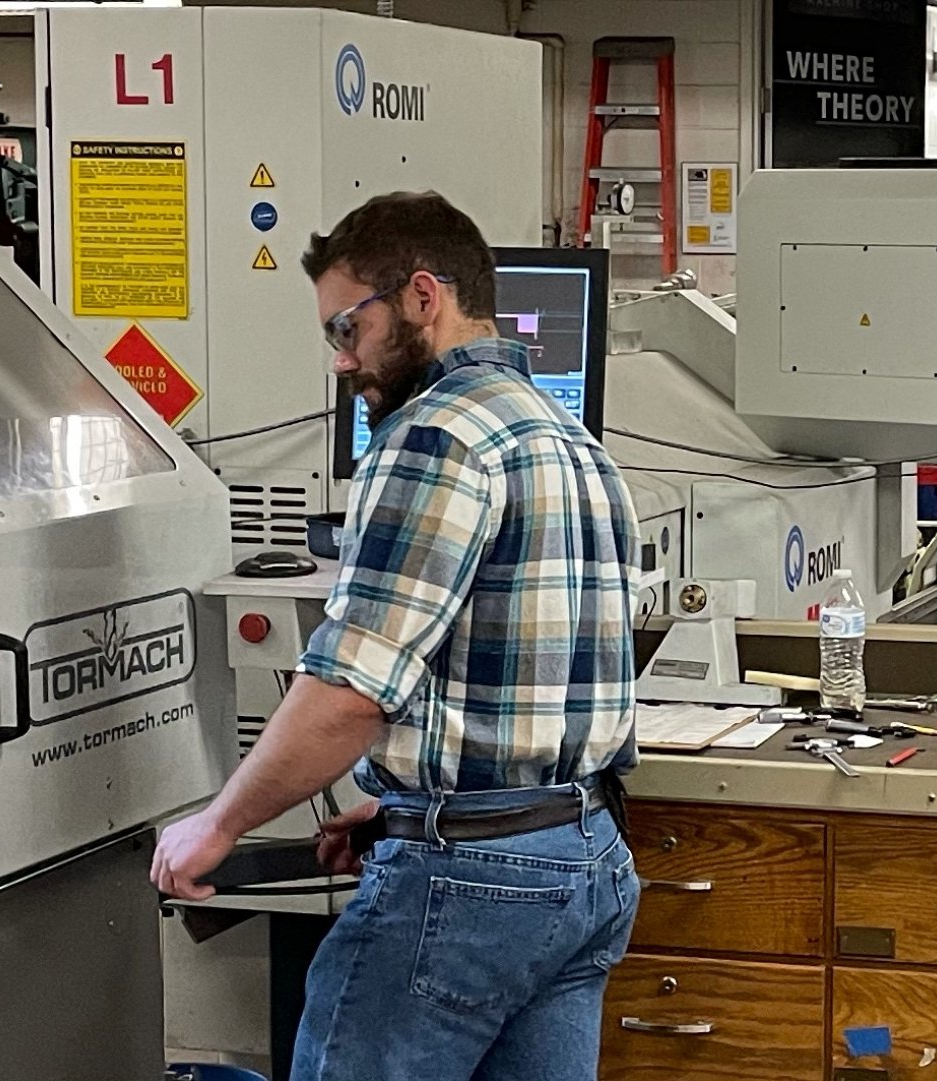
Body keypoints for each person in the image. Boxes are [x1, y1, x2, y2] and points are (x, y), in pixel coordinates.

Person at [151, 191, 642, 1080]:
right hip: (585, 862)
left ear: (423, 297)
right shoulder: (569, 441)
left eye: (349, 327)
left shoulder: (432, 437)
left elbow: (351, 689)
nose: (342, 361)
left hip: (470, 886)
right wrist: (406, 806)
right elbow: (523, 693)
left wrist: (220, 824)